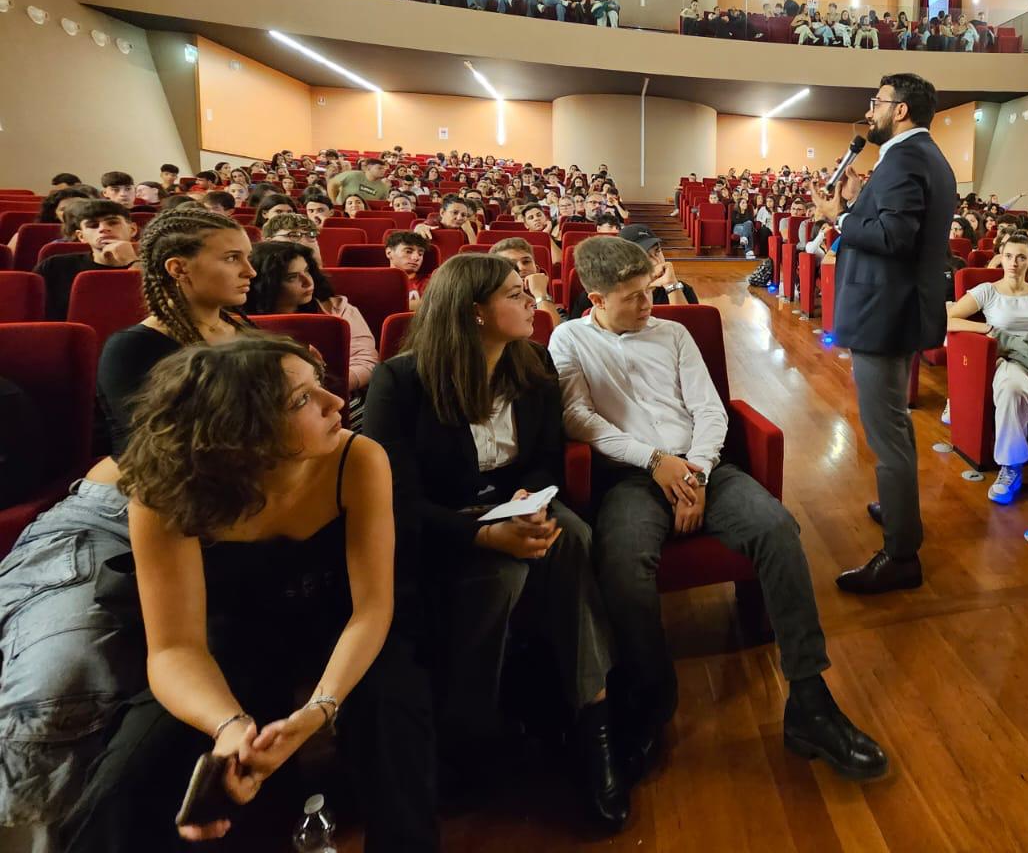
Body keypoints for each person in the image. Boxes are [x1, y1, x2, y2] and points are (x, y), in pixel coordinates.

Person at [61, 338, 439, 852]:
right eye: (302, 399)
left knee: (393, 712)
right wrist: (229, 726)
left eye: (319, 385)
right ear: (240, 429)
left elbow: (371, 609)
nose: (335, 402)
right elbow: (175, 649)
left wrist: (319, 709)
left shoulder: (358, 456)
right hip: (231, 632)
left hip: (341, 623)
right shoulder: (165, 489)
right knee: (132, 771)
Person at [549, 237, 887, 782]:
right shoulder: (568, 339)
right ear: (596, 298)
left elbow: (710, 409)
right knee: (623, 567)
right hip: (632, 476)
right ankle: (651, 700)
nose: (648, 305)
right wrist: (655, 461)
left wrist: (697, 472)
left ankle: (810, 700)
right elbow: (579, 419)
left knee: (778, 529)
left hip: (704, 467)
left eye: (648, 292)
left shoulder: (675, 332)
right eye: (632, 297)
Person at [0, 210, 255, 832]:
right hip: (111, 524)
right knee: (62, 685)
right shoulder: (136, 349)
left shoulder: (246, 334)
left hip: (228, 528)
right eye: (231, 257)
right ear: (178, 268)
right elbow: (175, 464)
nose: (250, 270)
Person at [364, 255, 628, 827]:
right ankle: (470, 731)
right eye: (516, 294)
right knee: (507, 571)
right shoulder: (402, 379)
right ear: (475, 311)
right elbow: (393, 499)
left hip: (515, 506)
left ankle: (593, 724)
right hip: (439, 524)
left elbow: (547, 457)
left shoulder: (532, 362)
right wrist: (483, 535)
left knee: (573, 534)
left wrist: (527, 507)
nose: (533, 300)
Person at [811, 73, 956, 594]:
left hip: (884, 312)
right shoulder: (922, 155)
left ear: (900, 111)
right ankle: (900, 513)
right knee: (894, 423)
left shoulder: (905, 159)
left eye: (877, 102)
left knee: (886, 432)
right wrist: (859, 199)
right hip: (896, 308)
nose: (869, 110)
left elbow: (894, 237)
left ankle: (900, 555)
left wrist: (841, 217)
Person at [242, 242, 378, 394]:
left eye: (307, 271)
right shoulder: (236, 320)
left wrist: (319, 387)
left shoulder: (338, 309)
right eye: (292, 277)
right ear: (267, 284)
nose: (308, 282)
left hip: (332, 393)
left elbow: (366, 361)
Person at [35, 199, 138, 320]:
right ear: (81, 236)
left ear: (132, 229)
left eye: (113, 223)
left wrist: (133, 261)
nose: (103, 229)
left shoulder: (156, 265)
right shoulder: (55, 266)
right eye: (93, 225)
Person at [415, 194, 481, 244]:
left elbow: (475, 254)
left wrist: (469, 231)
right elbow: (424, 227)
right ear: (442, 212)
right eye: (455, 212)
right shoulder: (432, 225)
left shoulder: (468, 227)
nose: (459, 218)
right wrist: (419, 227)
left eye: (463, 215)